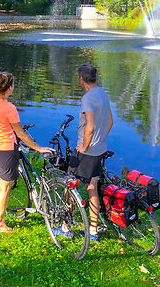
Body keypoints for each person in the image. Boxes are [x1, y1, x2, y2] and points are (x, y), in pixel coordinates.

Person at [0, 71, 53, 233]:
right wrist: (39, 148)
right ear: (8, 88)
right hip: (6, 151)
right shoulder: (9, 108)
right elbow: (20, 133)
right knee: (6, 187)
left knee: (1, 185)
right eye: (13, 85)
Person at [67, 63, 113, 242]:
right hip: (99, 150)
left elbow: (90, 126)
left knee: (70, 185)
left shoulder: (87, 98)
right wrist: (99, 141)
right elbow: (110, 122)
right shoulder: (103, 94)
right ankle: (93, 230)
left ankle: (65, 226)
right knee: (92, 188)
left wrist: (85, 147)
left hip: (86, 152)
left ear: (81, 79)